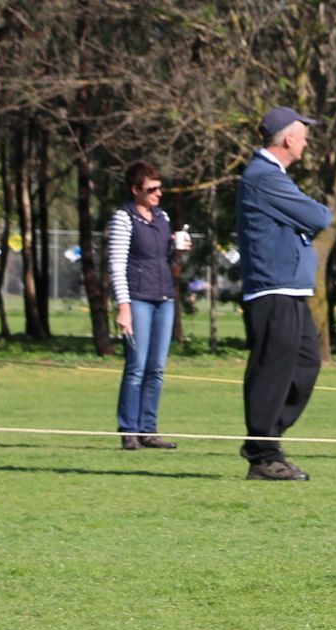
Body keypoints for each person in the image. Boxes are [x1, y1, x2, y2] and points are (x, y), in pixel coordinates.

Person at [235, 106, 333, 481]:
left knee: (306, 364)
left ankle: (267, 442)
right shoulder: (264, 177)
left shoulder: (273, 176)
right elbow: (320, 217)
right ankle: (263, 454)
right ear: (289, 139)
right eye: (304, 136)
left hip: (290, 288)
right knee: (272, 371)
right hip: (273, 289)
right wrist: (305, 219)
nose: (307, 143)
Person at [108, 161, 188, 451]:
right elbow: (117, 265)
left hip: (164, 298)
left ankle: (148, 430)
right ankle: (128, 430)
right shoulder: (123, 218)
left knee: (157, 368)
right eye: (151, 189)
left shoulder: (162, 217)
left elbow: (164, 259)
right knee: (137, 367)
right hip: (138, 299)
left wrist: (178, 250)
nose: (158, 193)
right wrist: (124, 306)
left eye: (159, 188)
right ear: (135, 190)